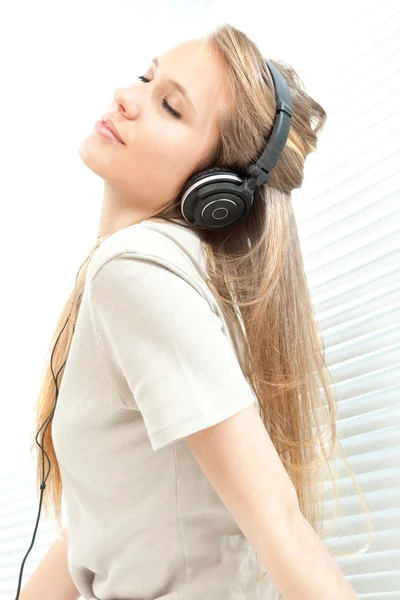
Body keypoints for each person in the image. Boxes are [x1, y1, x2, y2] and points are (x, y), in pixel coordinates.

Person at [22, 22, 372, 600]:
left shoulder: (135, 271)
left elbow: (277, 521)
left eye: (170, 107)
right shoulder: (164, 279)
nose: (127, 98)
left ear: (215, 188)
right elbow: (112, 518)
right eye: (146, 76)